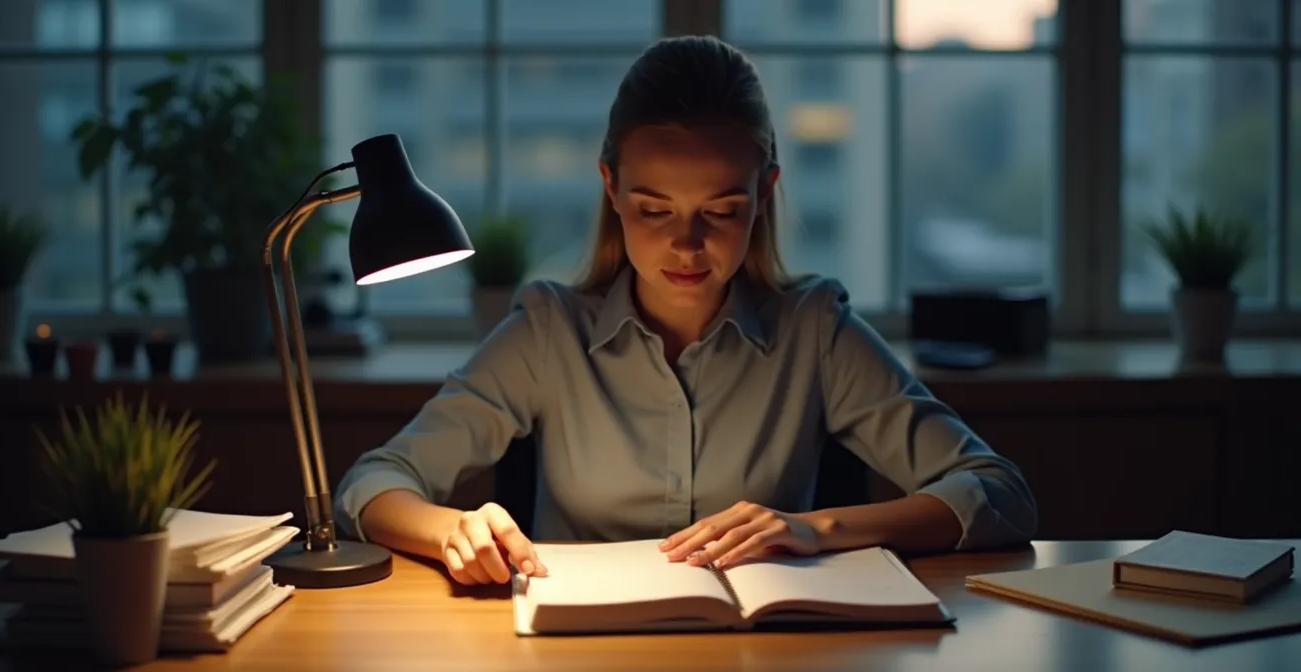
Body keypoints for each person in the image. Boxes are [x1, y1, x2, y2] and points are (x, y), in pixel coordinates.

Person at [335, 35, 1037, 587]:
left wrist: (815, 529)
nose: (687, 243)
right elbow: (371, 484)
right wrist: (452, 530)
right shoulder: (552, 331)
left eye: (722, 210)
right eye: (653, 208)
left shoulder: (813, 330)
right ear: (611, 187)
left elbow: (1000, 491)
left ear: (766, 192)